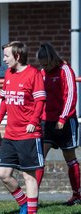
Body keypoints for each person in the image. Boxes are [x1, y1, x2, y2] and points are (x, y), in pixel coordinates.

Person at [0, 41, 46, 214]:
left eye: (7, 56)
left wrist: (33, 121)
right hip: (10, 134)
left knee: (28, 176)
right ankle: (24, 204)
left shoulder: (34, 74)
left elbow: (40, 102)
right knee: (3, 174)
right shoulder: (8, 74)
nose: (4, 59)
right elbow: (5, 99)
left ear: (18, 56)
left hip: (28, 134)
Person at [35, 43, 80, 205]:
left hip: (66, 122)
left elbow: (71, 97)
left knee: (70, 158)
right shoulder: (41, 73)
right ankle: (33, 199)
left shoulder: (65, 71)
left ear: (53, 59)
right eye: (42, 65)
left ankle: (77, 195)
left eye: (46, 64)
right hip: (47, 122)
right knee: (39, 159)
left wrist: (63, 118)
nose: (44, 67)